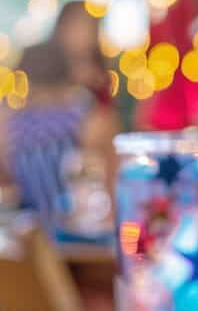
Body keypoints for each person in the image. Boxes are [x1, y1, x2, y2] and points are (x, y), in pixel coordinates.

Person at [0, 42, 117, 226]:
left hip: (32, 238)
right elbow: (113, 185)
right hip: (81, 239)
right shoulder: (89, 120)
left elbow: (8, 186)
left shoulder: (8, 125)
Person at [51, 0, 112, 106]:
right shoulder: (46, 69)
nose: (85, 34)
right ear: (62, 27)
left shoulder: (100, 76)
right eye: (77, 26)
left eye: (90, 27)